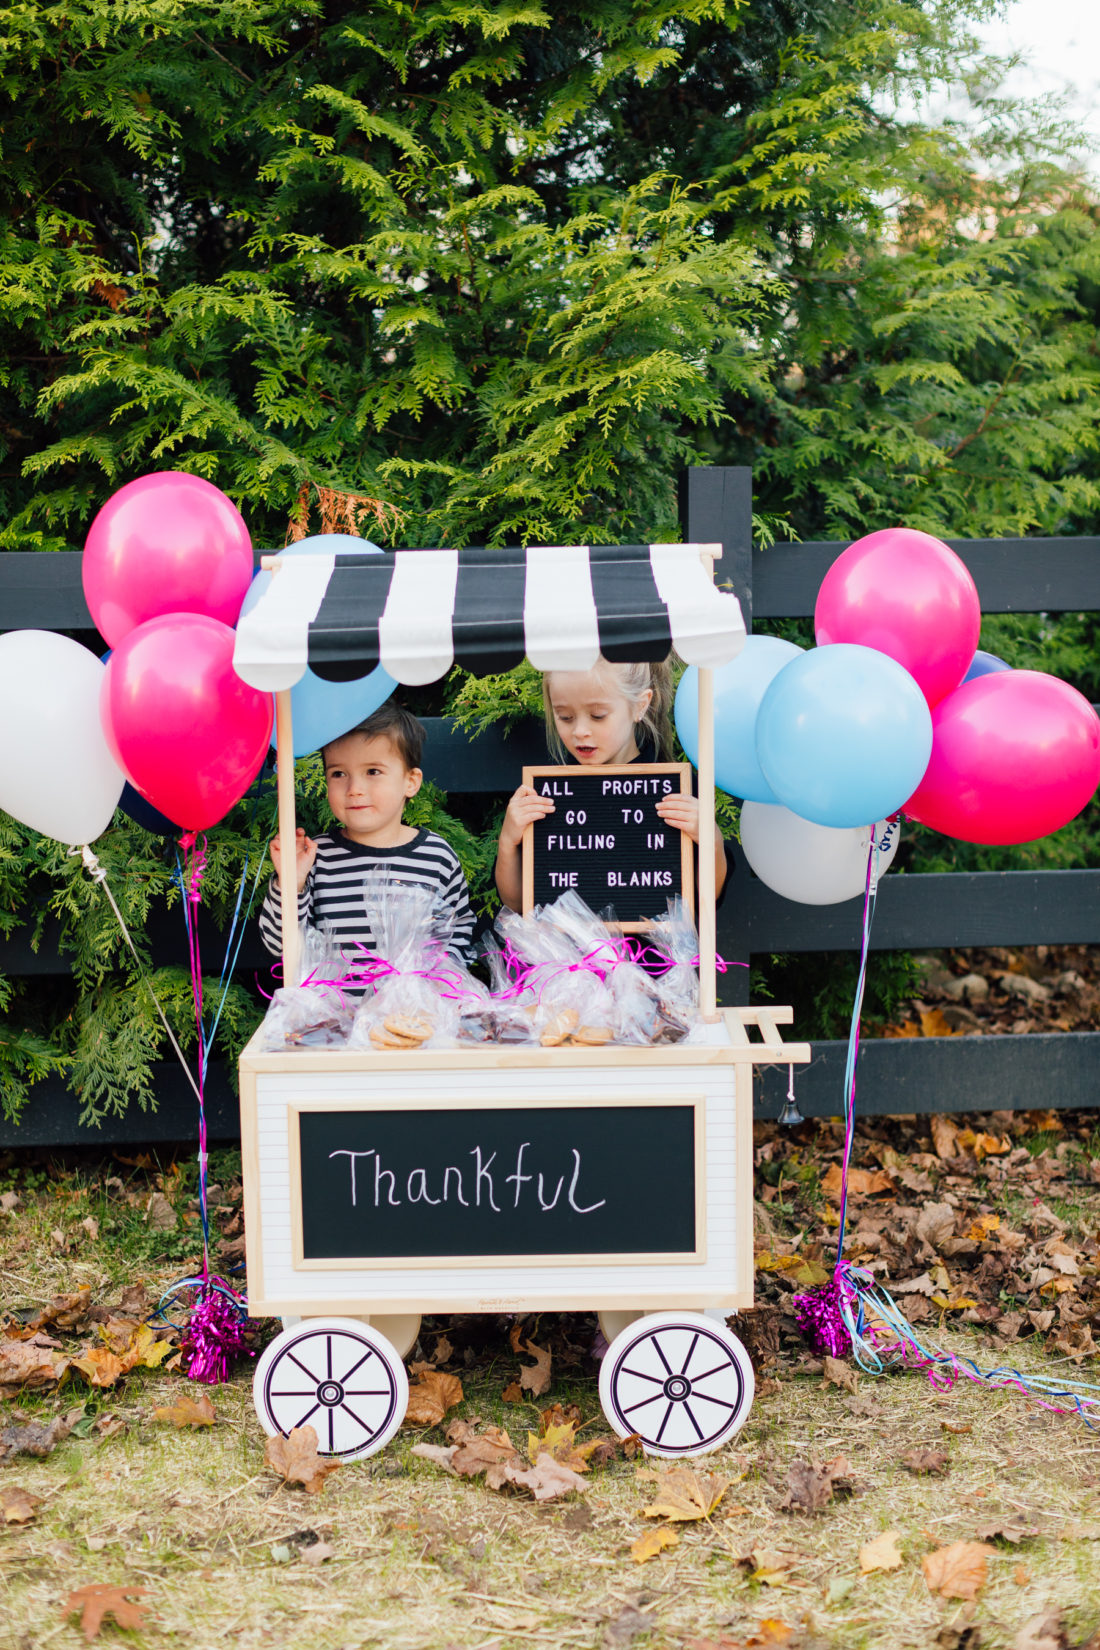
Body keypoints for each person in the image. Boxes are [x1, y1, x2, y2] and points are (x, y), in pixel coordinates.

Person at [494, 657, 730, 911]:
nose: (580, 731)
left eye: (598, 716)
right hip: (566, 950)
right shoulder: (546, 794)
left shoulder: (675, 790)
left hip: (654, 951)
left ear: (640, 706)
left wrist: (710, 839)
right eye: (565, 717)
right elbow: (519, 902)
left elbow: (706, 898)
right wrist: (508, 842)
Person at [259, 702, 476, 964]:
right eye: (338, 773)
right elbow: (279, 945)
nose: (354, 788)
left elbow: (458, 932)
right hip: (335, 1004)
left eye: (373, 771)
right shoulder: (315, 857)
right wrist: (292, 882)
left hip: (410, 1005)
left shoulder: (437, 856)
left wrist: (435, 982)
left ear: (411, 782)